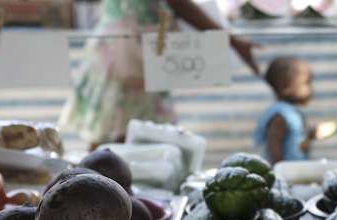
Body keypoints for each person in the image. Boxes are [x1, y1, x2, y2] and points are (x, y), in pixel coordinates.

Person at [59, 0, 260, 149]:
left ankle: (103, 192)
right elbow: (180, 4)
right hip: (131, 54)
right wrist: (231, 40)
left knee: (116, 139)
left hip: (126, 48)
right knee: (128, 140)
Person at [254, 57, 314, 164]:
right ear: (286, 86)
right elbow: (274, 145)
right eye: (307, 83)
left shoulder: (293, 113)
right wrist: (279, 170)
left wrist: (310, 134)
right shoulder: (281, 115)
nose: (311, 89)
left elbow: (297, 140)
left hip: (295, 173)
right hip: (285, 174)